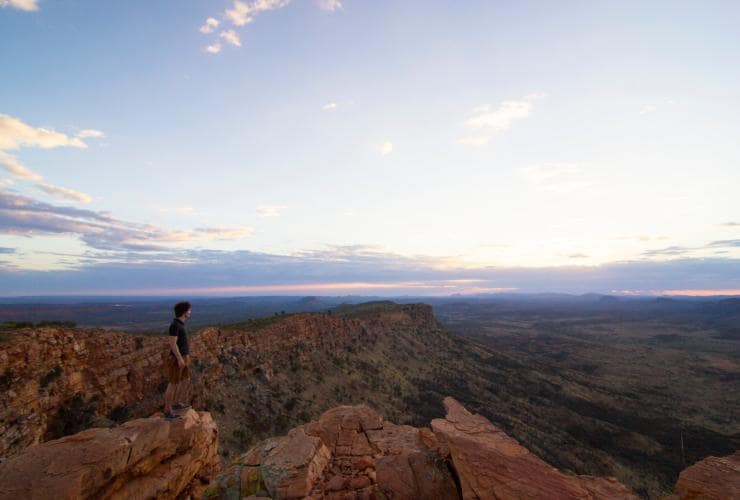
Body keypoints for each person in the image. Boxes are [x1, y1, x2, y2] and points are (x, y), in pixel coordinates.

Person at [163, 301, 193, 420]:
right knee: (173, 383)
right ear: (184, 312)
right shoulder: (175, 325)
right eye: (189, 310)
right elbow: (172, 343)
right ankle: (167, 410)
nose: (190, 312)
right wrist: (179, 358)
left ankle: (176, 403)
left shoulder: (180, 324)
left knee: (185, 380)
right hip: (178, 358)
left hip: (185, 356)